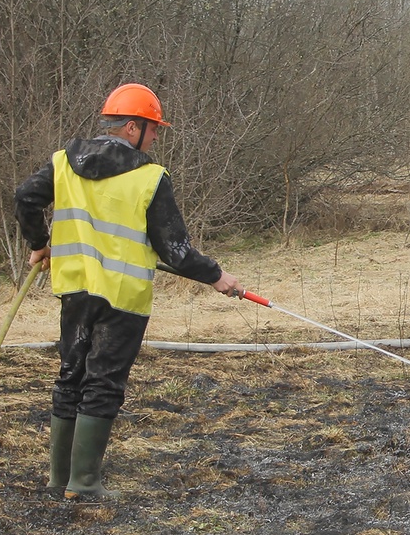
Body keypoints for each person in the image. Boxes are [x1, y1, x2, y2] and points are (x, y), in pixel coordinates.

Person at [15, 83, 244, 499]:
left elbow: (25, 199)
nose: (157, 137)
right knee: (103, 382)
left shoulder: (63, 163)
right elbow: (174, 251)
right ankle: (83, 484)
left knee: (71, 375)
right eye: (154, 128)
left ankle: (60, 479)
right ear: (133, 127)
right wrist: (216, 276)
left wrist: (39, 244)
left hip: (75, 290)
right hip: (122, 298)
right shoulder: (149, 177)